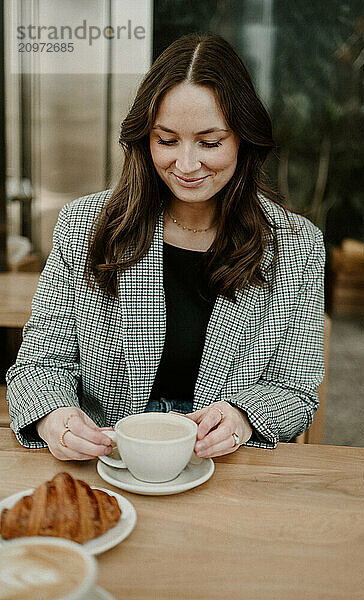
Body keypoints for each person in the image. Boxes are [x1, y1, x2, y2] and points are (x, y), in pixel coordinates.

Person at [6, 33, 325, 462]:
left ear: (243, 140)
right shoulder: (85, 225)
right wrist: (54, 417)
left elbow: (297, 390)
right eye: (167, 140)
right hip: (108, 465)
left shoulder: (294, 243)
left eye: (209, 143)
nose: (187, 165)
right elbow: (38, 367)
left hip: (228, 473)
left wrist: (244, 416)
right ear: (145, 139)